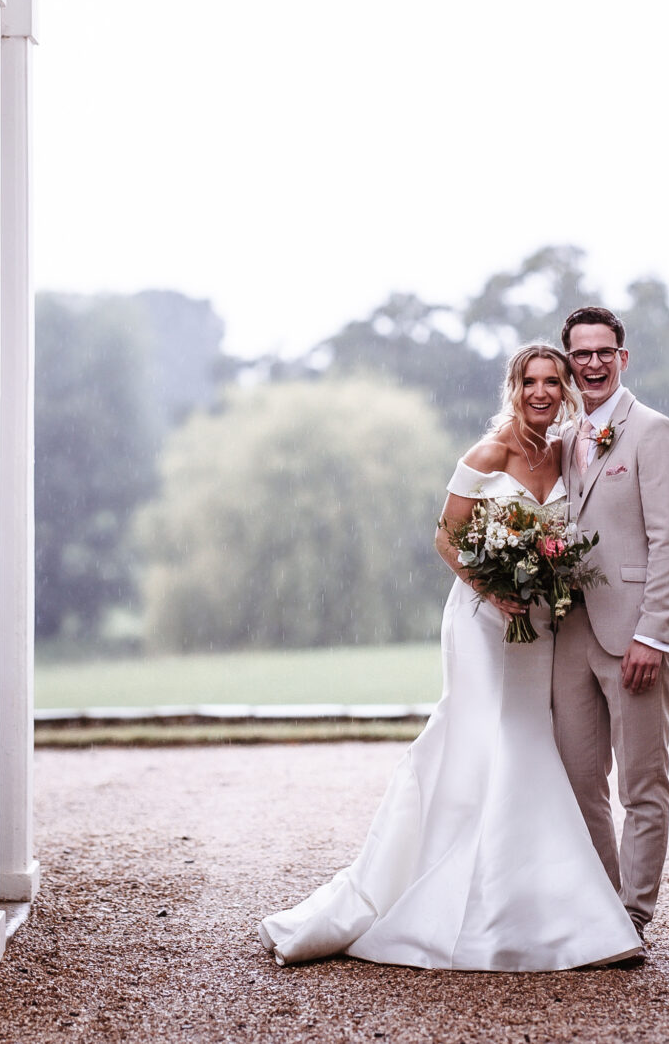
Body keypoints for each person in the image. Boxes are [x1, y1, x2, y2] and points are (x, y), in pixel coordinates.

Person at [258, 344, 643, 971]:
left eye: (553, 382)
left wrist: (544, 581)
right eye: (530, 382)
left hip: (539, 622)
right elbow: (445, 536)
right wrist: (497, 590)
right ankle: (495, 910)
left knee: (525, 736)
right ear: (513, 388)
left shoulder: (569, 453)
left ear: (566, 389)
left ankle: (543, 905)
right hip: (484, 622)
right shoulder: (489, 453)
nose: (541, 393)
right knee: (498, 736)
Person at [550, 304, 669, 940]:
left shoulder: (653, 432)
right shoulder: (563, 437)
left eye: (605, 352)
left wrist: (652, 634)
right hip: (569, 633)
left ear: (623, 358)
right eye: (582, 354)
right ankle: (601, 908)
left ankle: (633, 918)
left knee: (641, 784)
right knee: (579, 781)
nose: (594, 364)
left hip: (633, 634)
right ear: (569, 361)